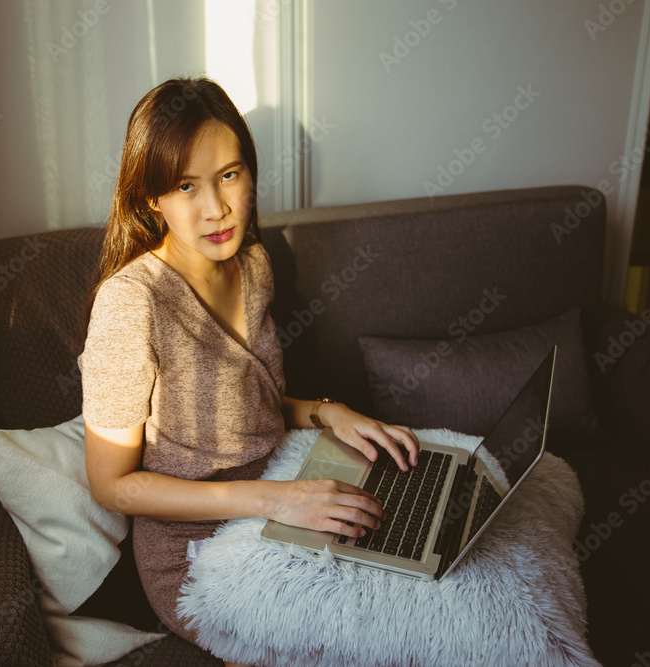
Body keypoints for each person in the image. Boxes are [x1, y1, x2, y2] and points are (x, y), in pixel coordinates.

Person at [77, 76, 419, 667]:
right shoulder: (131, 303)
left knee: (426, 527)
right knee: (370, 624)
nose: (217, 209)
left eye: (230, 175)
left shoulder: (254, 264)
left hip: (285, 483)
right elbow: (112, 485)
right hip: (193, 546)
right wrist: (275, 502)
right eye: (186, 185)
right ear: (151, 198)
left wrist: (325, 412)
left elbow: (251, 404)